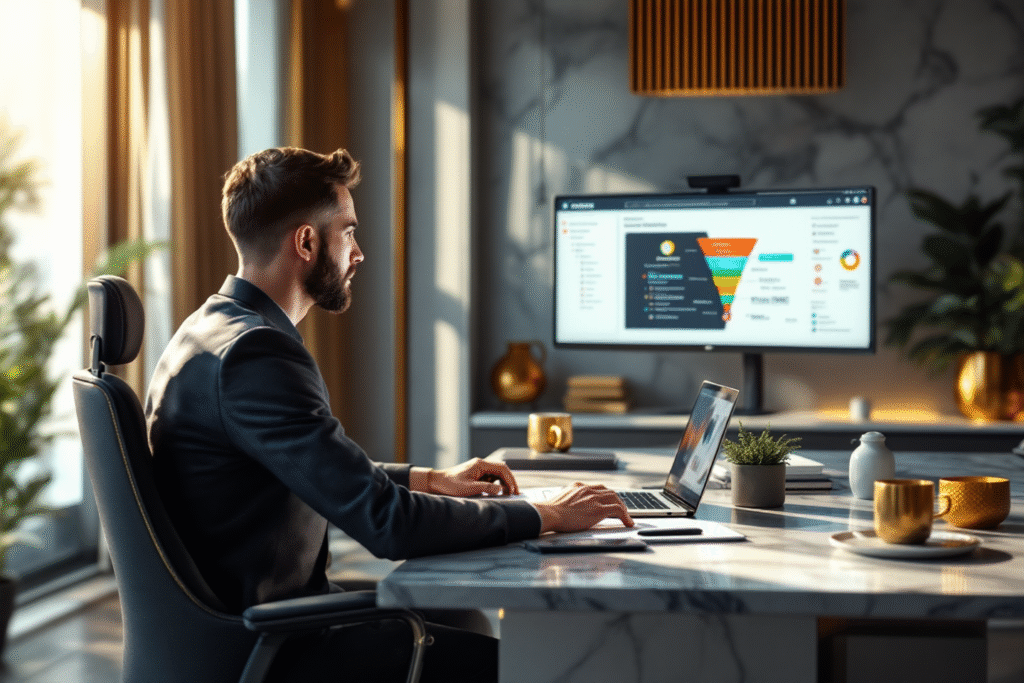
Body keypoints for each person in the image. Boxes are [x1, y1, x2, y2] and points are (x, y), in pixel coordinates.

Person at [145, 146, 634, 683]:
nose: (358, 252)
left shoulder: (208, 330)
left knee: (465, 620)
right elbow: (389, 525)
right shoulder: (256, 356)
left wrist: (427, 479)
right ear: (306, 242)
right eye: (348, 232)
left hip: (246, 626)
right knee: (526, 668)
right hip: (274, 646)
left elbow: (303, 471)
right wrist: (549, 515)